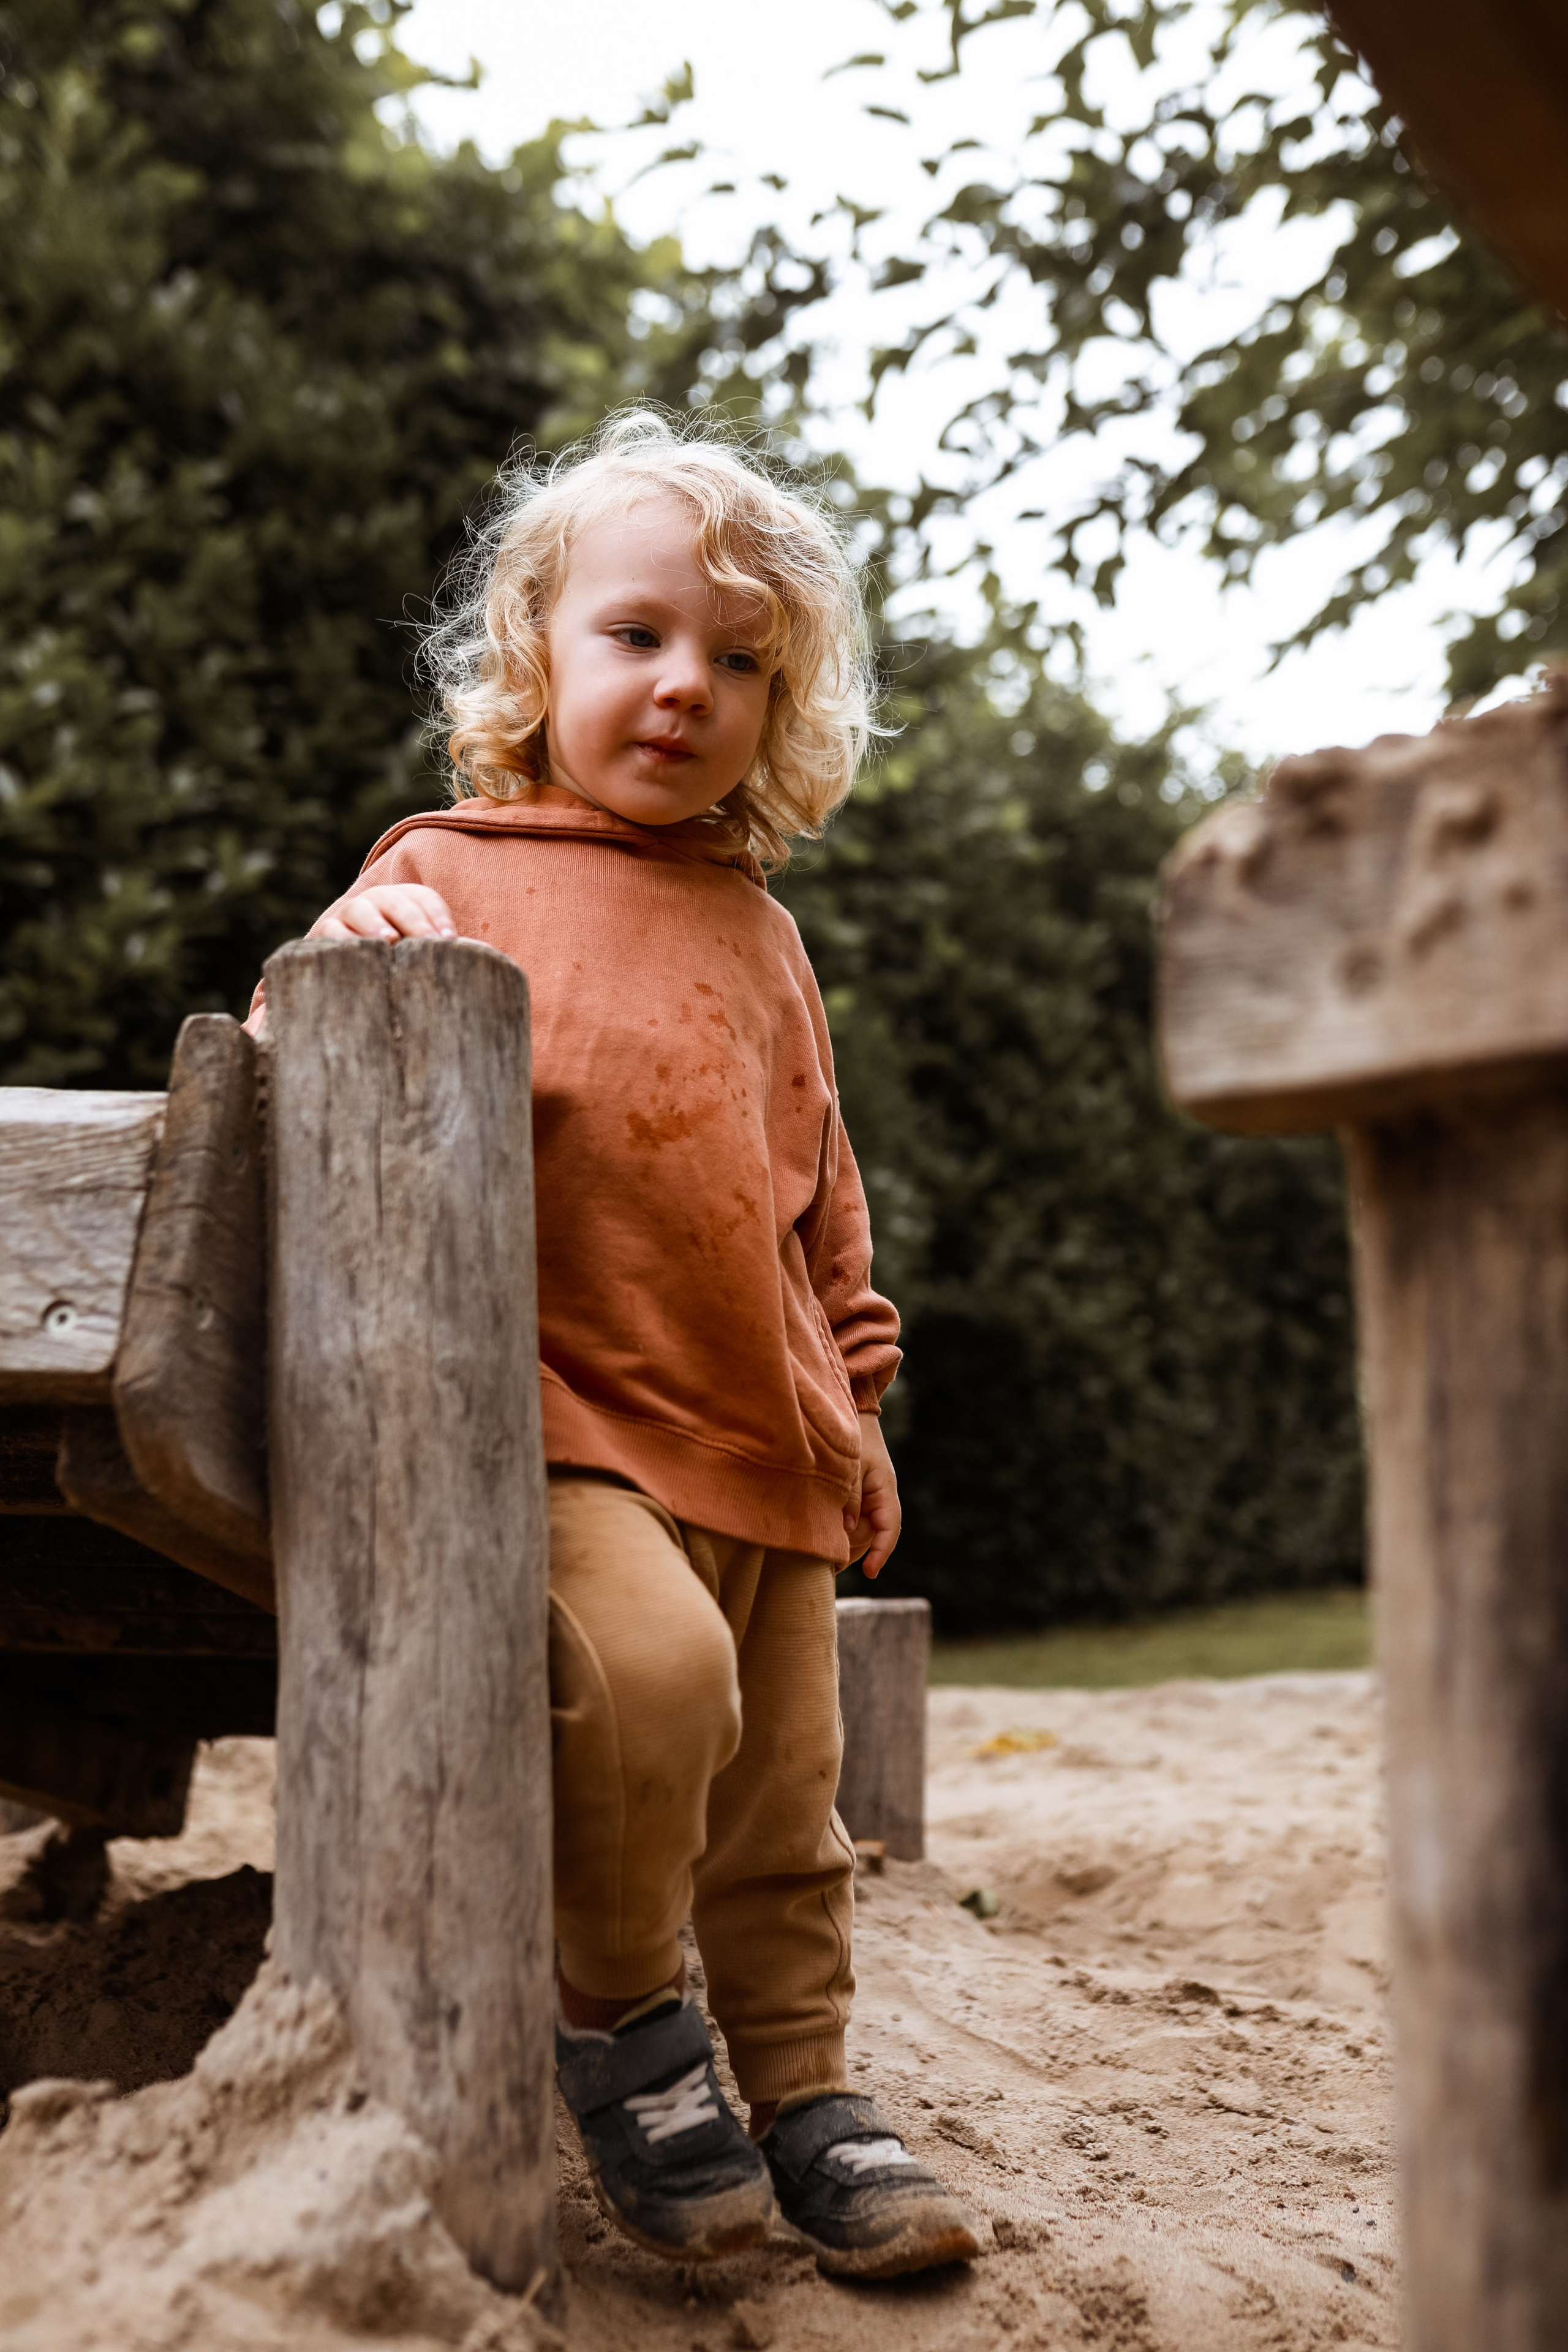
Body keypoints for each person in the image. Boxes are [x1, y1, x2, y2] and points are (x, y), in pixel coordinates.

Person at [248, 413, 979, 2280]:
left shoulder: (760, 929)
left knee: (782, 1810)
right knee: (655, 1690)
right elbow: (299, 1046)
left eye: (743, 662)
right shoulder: (452, 860)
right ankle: (623, 2019)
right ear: (534, 661)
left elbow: (817, 1190)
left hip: (767, 1433)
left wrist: (857, 1394)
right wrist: (355, 951)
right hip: (557, 1423)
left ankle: (807, 2090)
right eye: (639, 637)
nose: (688, 687)